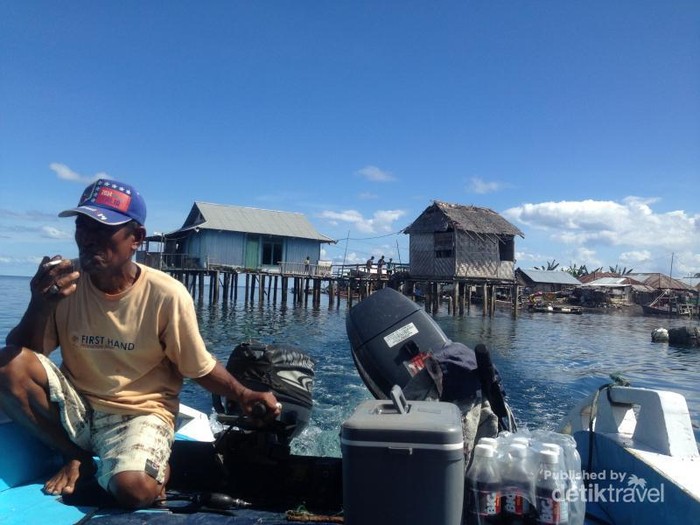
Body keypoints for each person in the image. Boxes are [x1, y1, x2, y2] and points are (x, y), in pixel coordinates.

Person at [0, 179, 280, 509]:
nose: (88, 238)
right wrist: (40, 303)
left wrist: (243, 394)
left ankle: (151, 469)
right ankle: (75, 455)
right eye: (82, 227)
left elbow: (197, 366)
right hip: (79, 407)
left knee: (134, 491)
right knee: (7, 363)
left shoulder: (166, 294)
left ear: (137, 238)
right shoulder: (64, 284)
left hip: (139, 413)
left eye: (102, 229)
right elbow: (28, 355)